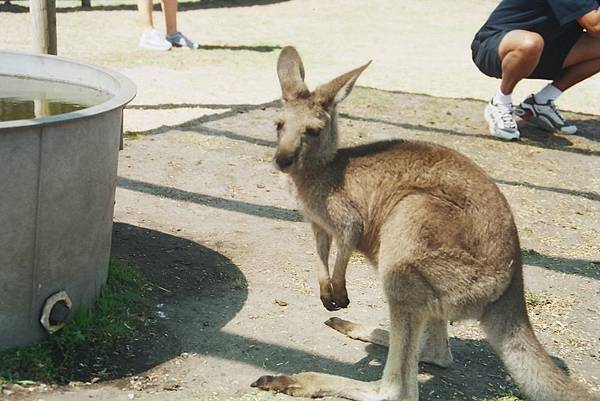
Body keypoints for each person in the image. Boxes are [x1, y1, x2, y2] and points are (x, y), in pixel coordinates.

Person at [471, 0, 600, 140]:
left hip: (543, 48)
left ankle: (540, 103)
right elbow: (595, 26)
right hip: (495, 45)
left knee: (534, 43)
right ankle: (500, 102)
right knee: (531, 43)